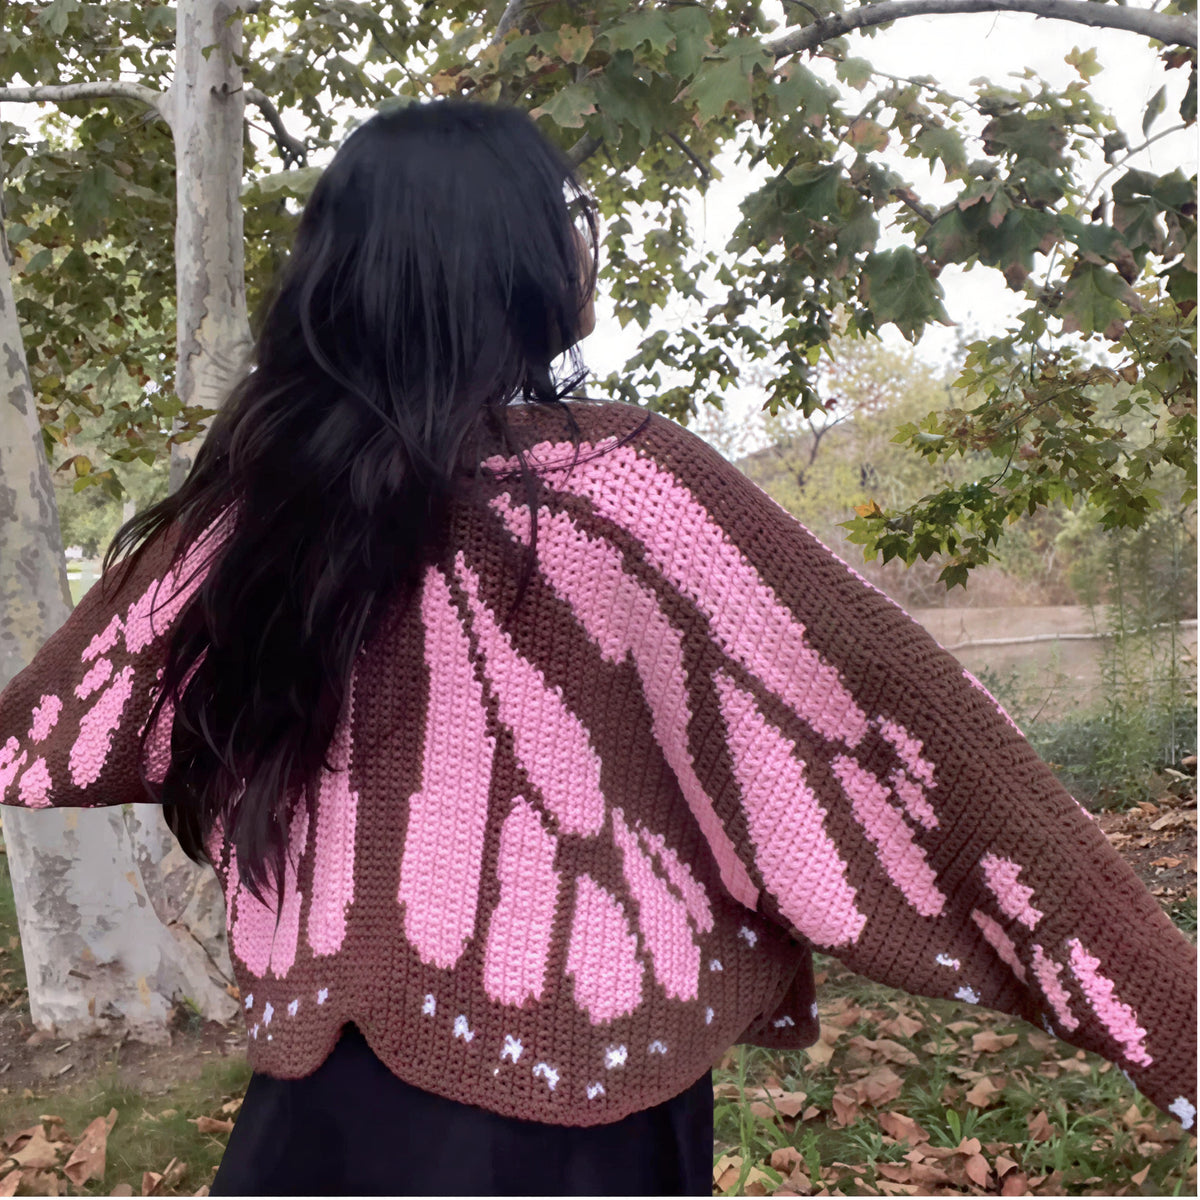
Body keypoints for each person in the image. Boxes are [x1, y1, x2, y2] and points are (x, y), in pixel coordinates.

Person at [0, 98, 1194, 1196]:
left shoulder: (260, 506)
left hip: (315, 1109)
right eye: (569, 218)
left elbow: (58, 723)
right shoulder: (622, 492)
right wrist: (1171, 1016)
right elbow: (913, 751)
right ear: (520, 258)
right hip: (566, 1106)